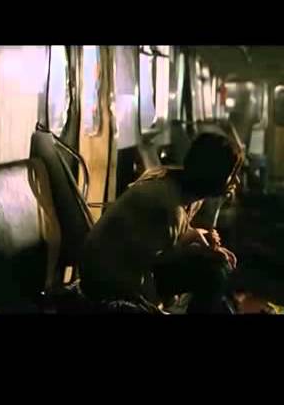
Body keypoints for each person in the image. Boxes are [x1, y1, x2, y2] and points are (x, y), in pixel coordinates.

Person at [79, 132, 243, 314]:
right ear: (214, 174)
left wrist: (202, 239)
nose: (236, 181)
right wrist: (201, 249)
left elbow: (171, 236)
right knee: (213, 273)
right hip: (107, 281)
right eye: (232, 174)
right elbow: (154, 257)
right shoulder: (167, 204)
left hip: (127, 269)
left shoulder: (181, 190)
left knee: (216, 267)